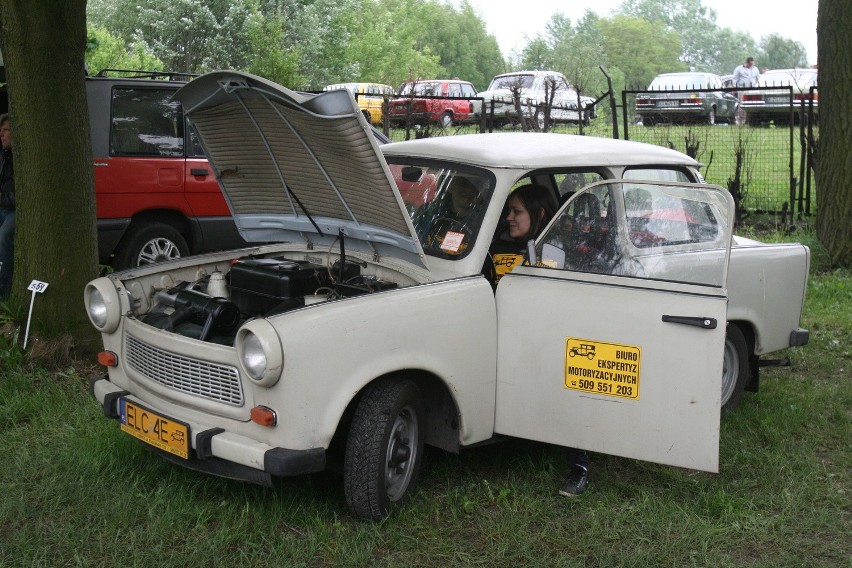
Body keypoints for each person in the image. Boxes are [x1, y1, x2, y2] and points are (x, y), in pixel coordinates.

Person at [488, 184, 591, 496]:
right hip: (506, 337)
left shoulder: (564, 251)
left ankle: (580, 465)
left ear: (540, 213)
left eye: (517, 212)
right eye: (508, 211)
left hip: (553, 340)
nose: (509, 218)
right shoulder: (493, 248)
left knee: (573, 379)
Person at [0, 113, 14, 299]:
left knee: (3, 236)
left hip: (15, 210)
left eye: (5, 130)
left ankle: (4, 291)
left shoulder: (24, 159)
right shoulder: (3, 155)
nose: (1, 134)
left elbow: (22, 197)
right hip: (3, 205)